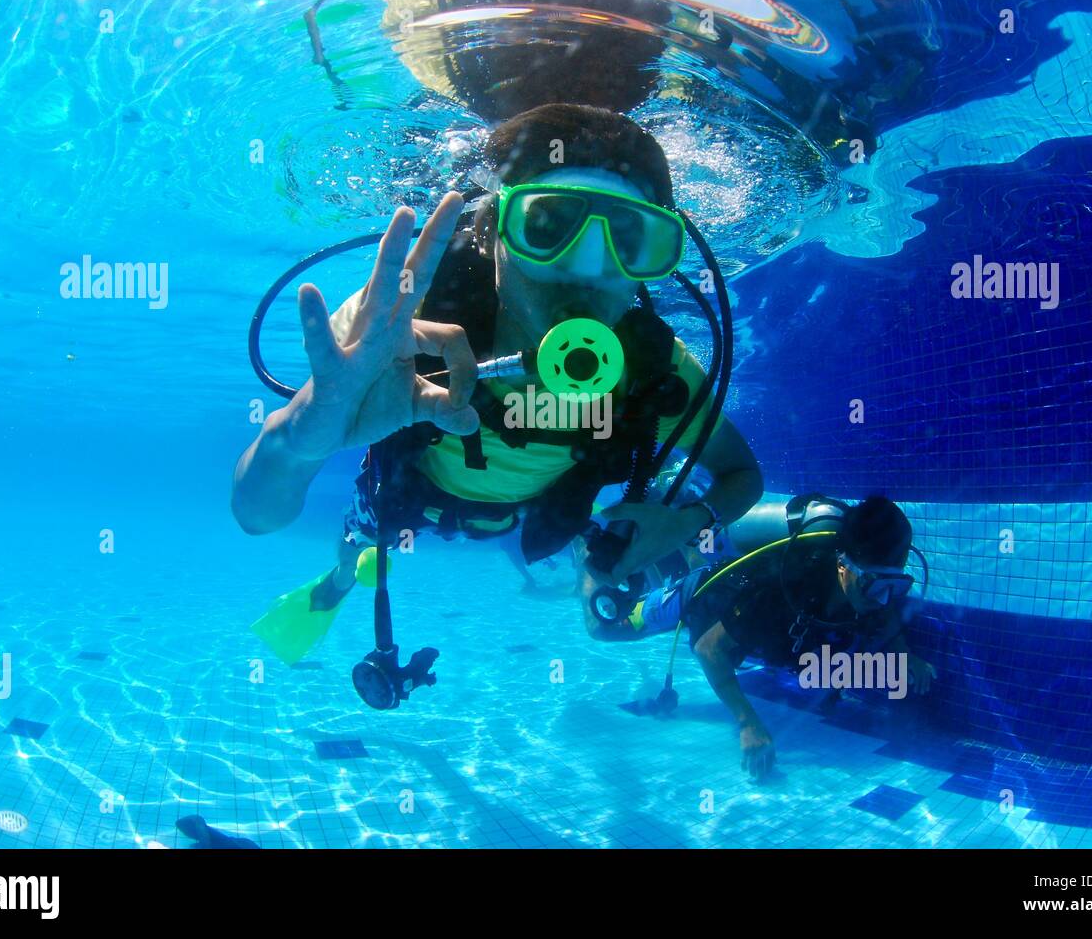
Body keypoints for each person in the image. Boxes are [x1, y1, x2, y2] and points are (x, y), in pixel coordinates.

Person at [232, 103, 762, 664]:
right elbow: (256, 516)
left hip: (539, 508)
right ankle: (337, 582)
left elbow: (742, 474)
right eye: (547, 226)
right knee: (356, 545)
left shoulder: (656, 363)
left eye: (628, 241)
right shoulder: (391, 333)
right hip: (415, 491)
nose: (584, 271)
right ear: (490, 231)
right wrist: (299, 438)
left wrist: (688, 520)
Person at [609, 494, 937, 779]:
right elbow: (709, 650)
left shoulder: (868, 586)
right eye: (874, 586)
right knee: (607, 628)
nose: (882, 598)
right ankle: (592, 552)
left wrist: (904, 652)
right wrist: (748, 723)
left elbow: (885, 608)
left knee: (703, 561)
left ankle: (687, 535)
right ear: (843, 566)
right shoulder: (784, 587)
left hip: (751, 618)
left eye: (894, 587)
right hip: (703, 598)